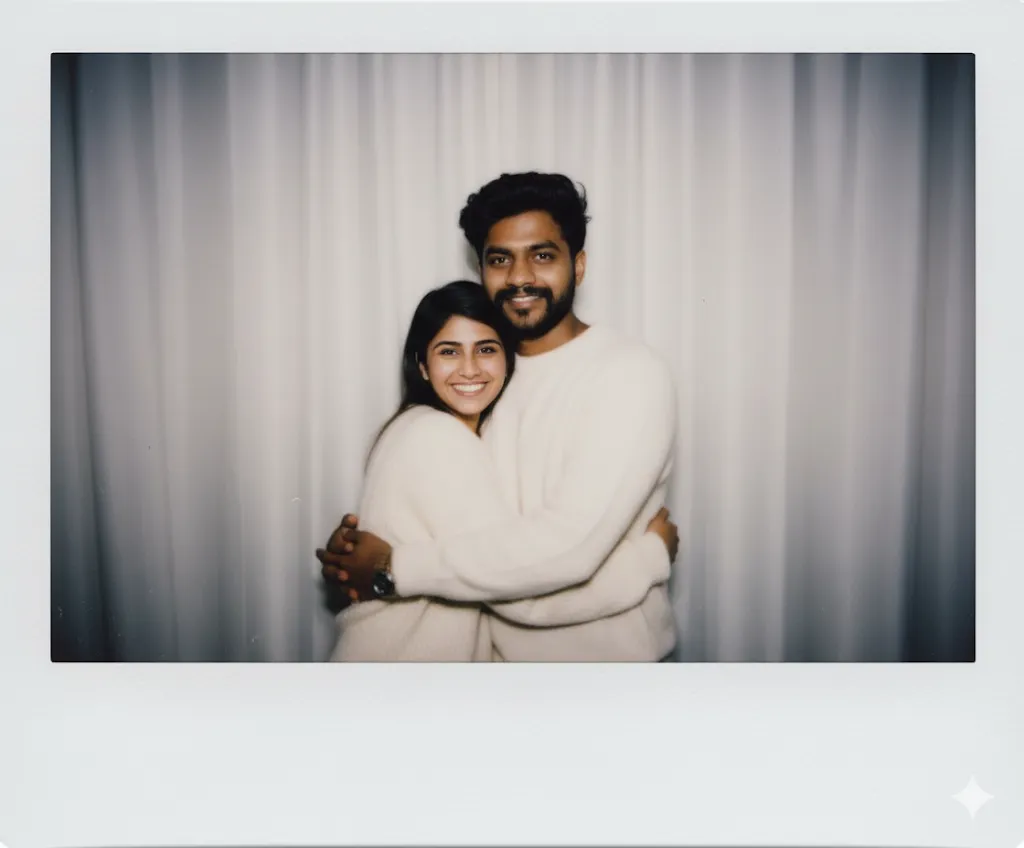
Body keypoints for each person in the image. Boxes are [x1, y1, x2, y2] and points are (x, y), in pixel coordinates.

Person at [319, 171, 680, 661]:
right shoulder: (485, 377)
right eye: (499, 259)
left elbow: (564, 550)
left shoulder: (627, 374)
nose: (519, 277)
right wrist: (360, 557)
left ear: (578, 266)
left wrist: (391, 568)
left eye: (542, 256)